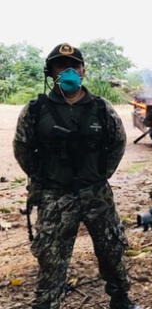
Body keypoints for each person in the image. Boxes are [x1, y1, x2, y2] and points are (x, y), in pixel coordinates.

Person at [13, 43, 139, 309]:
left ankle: (120, 299)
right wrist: (41, 178)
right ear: (51, 72)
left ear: (82, 72)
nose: (68, 70)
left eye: (73, 66)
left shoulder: (102, 109)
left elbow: (118, 142)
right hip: (55, 195)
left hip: (96, 193)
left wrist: (101, 174)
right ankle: (47, 303)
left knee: (111, 249)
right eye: (61, 66)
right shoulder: (36, 110)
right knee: (51, 257)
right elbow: (22, 147)